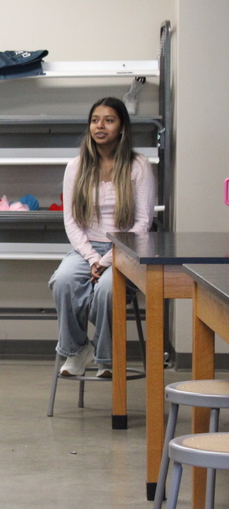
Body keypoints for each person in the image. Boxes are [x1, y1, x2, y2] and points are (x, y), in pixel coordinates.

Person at [51, 97, 156, 378]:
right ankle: (76, 350)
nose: (100, 125)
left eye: (109, 120)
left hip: (126, 249)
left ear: (121, 128)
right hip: (87, 250)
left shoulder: (139, 165)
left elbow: (143, 224)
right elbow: (71, 220)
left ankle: (106, 357)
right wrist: (93, 258)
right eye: (95, 120)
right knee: (64, 281)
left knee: (109, 289)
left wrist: (108, 260)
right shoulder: (76, 166)